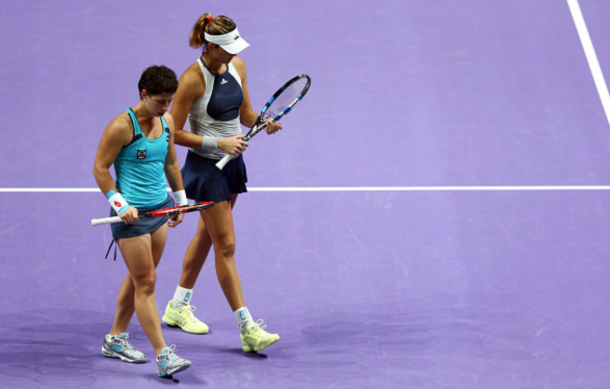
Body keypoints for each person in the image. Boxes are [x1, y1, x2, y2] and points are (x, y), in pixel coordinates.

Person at [161, 13, 281, 353]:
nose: (233, 53)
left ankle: (177, 306)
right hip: (206, 169)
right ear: (210, 46)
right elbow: (174, 133)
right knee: (225, 246)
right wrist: (219, 144)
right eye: (226, 49)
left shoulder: (237, 66)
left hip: (232, 166)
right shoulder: (191, 80)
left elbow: (244, 113)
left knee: (207, 236)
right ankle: (247, 328)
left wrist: (263, 122)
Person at [93, 65, 192, 377]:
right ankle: (164, 356)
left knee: (140, 279)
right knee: (147, 282)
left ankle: (115, 339)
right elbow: (100, 168)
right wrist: (119, 204)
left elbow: (172, 162)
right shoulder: (122, 126)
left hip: (159, 210)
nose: (165, 107)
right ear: (144, 94)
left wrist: (180, 200)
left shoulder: (167, 120)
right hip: (131, 217)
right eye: (160, 101)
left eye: (170, 101)